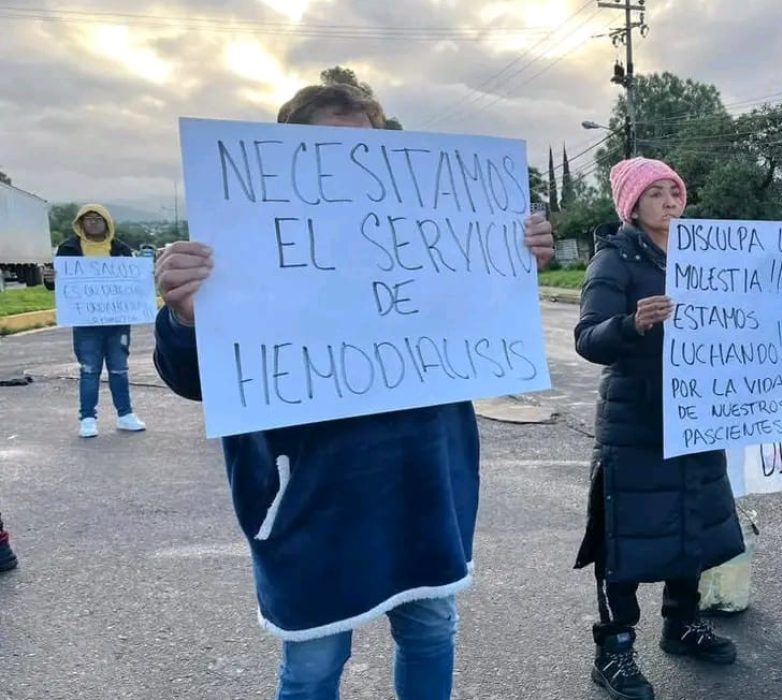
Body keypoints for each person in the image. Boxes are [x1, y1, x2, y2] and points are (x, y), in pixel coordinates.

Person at [152, 83, 555, 700]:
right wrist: (183, 316)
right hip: (312, 498)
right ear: (289, 155)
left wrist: (511, 260)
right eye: (328, 151)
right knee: (314, 660)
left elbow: (482, 323)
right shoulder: (243, 250)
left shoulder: (430, 239)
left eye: (364, 151)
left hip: (424, 485)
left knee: (431, 629)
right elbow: (192, 378)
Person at [573, 156, 782, 700]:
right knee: (625, 539)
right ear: (632, 205)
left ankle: (682, 624)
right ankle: (614, 651)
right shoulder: (614, 259)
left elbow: (749, 314)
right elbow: (588, 338)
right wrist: (632, 322)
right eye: (655, 193)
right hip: (636, 421)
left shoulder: (708, 255)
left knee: (692, 525)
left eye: (674, 190)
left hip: (701, 413)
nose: (669, 200)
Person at [56, 205, 147, 438]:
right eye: (88, 219)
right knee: (89, 370)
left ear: (107, 222)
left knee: (119, 369)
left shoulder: (121, 250)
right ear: (80, 223)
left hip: (117, 323)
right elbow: (59, 285)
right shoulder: (68, 249)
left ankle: (125, 415)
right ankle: (87, 418)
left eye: (98, 218)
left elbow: (135, 284)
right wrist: (50, 278)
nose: (94, 222)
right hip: (86, 324)